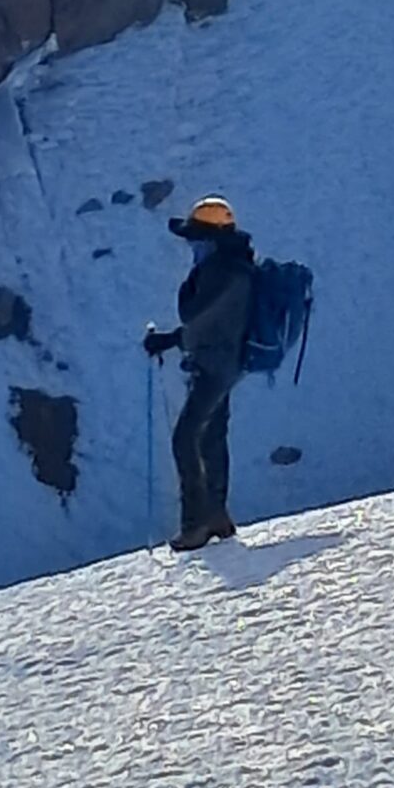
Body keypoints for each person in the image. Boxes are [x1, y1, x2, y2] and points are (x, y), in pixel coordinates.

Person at [143, 194, 257, 551]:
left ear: (209, 238)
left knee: (186, 438)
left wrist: (168, 340)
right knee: (211, 436)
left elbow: (202, 320)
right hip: (224, 362)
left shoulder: (223, 271)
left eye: (196, 237)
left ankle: (196, 524)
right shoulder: (232, 266)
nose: (191, 244)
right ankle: (217, 515)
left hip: (217, 365)